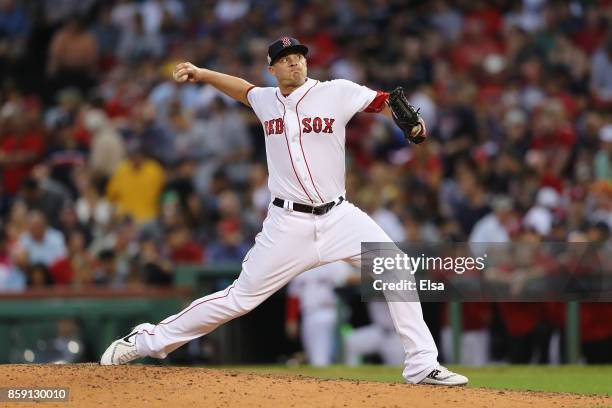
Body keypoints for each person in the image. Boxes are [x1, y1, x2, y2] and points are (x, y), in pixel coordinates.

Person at [100, 37, 467, 386]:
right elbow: (242, 89)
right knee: (239, 298)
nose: (295, 61)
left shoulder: (334, 91)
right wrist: (203, 73)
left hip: (339, 216)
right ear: (272, 69)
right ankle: (148, 339)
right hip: (288, 223)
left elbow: (385, 101)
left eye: (300, 56)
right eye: (285, 59)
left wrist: (413, 124)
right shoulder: (265, 100)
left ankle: (422, 365)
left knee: (396, 266)